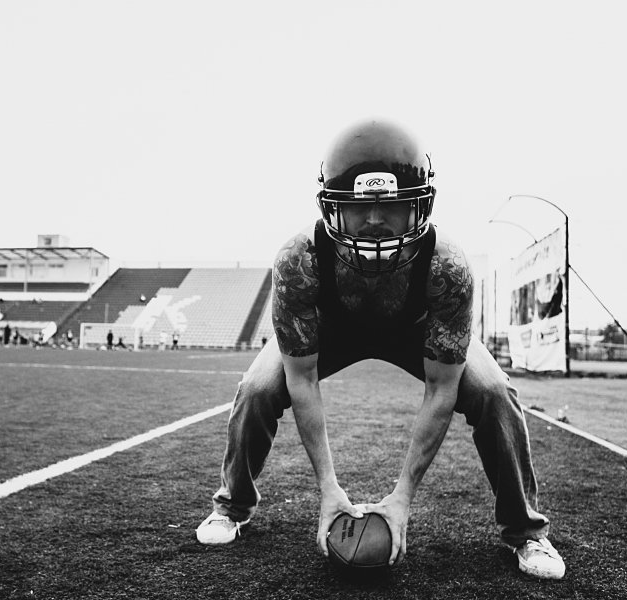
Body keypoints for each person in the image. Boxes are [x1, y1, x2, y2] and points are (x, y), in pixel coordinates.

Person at [195, 118, 565, 580]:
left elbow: (442, 387)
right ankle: (232, 505)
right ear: (333, 208)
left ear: (418, 206)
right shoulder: (299, 260)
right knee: (256, 388)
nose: (373, 219)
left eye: (389, 205)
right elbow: (301, 378)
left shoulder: (447, 266)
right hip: (332, 329)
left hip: (414, 329)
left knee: (493, 391)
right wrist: (329, 489)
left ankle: (525, 529)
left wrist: (402, 497)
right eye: (359, 207)